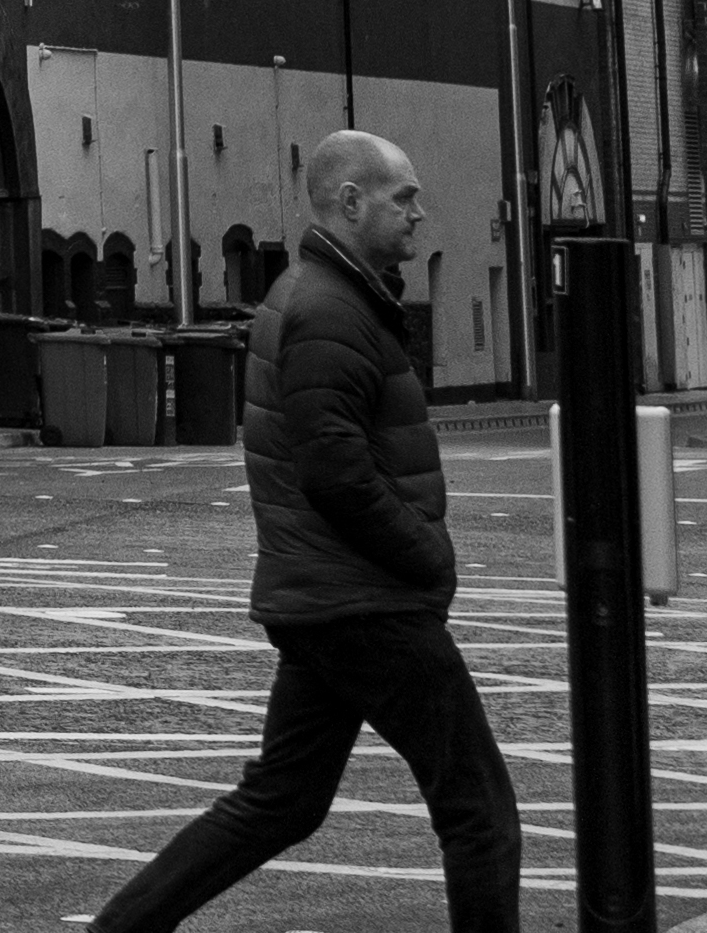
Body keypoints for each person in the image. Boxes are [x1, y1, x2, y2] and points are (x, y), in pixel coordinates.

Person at [89, 131, 515, 930]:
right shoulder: (328, 310)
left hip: (325, 597)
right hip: (365, 601)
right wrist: (426, 557)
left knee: (281, 802)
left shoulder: (333, 295)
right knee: (479, 811)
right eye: (402, 197)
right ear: (350, 202)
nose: (420, 212)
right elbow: (336, 474)